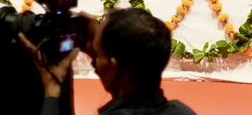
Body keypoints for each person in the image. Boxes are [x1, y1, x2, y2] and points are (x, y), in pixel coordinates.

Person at [26, 9, 197, 115]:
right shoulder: (185, 112)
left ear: (113, 66)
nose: (96, 60)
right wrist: (99, 53)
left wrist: (52, 91)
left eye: (99, 55)